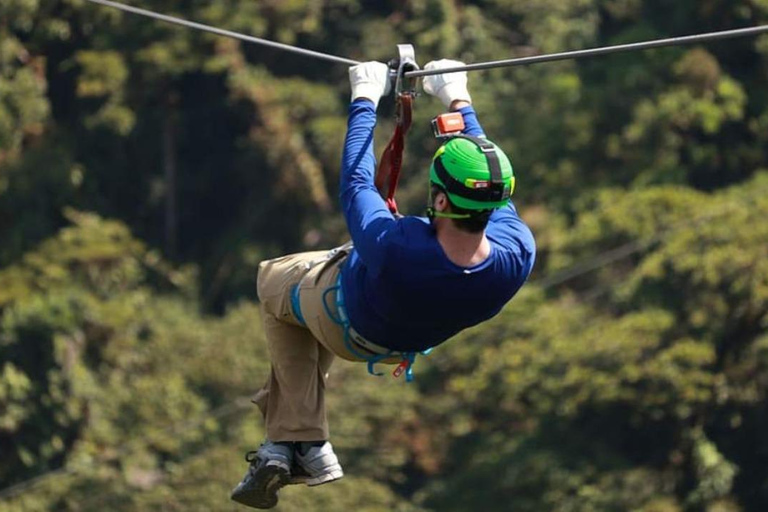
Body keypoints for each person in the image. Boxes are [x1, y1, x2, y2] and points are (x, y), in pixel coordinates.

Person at [231, 59, 536, 509]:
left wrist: (363, 100)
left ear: (437, 199)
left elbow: (356, 182)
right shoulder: (516, 253)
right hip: (400, 340)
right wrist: (457, 99)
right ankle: (292, 444)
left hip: (346, 320)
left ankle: (301, 440)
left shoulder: (397, 247)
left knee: (274, 279)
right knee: (307, 300)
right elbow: (487, 181)